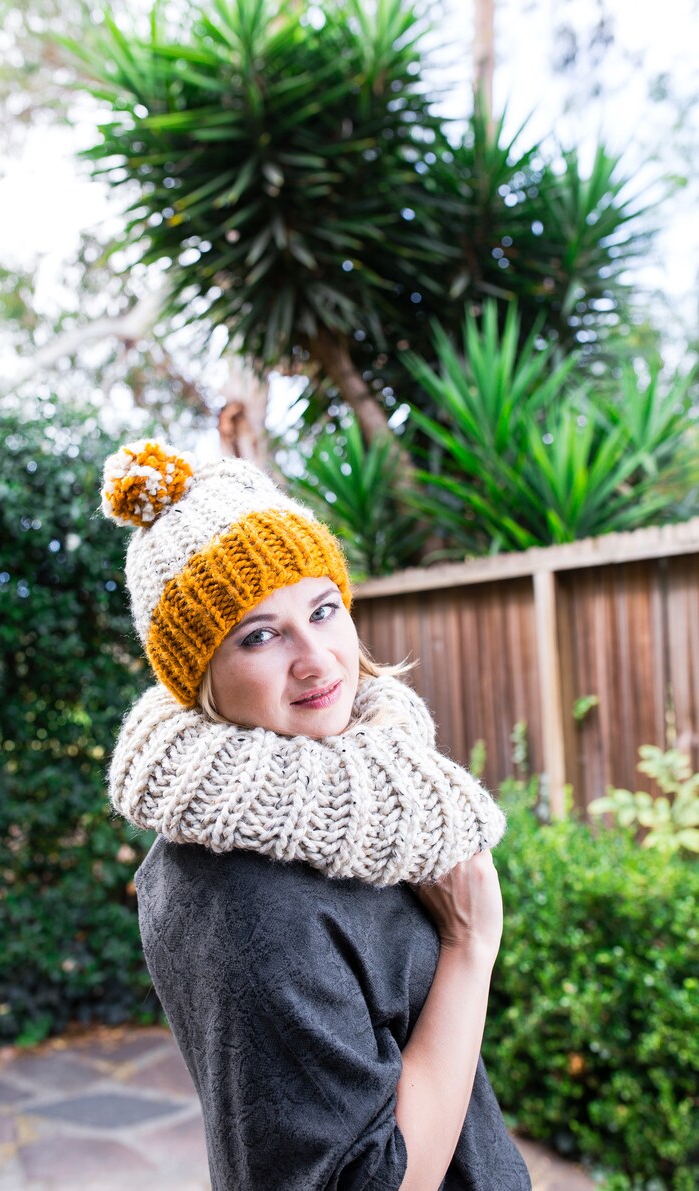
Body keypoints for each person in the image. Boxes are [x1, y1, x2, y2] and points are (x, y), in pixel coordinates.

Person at [102, 440, 531, 1191]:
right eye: (259, 634)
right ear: (197, 676)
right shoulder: (249, 896)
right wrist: (470, 944)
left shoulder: (363, 806)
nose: (318, 658)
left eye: (323, 608)